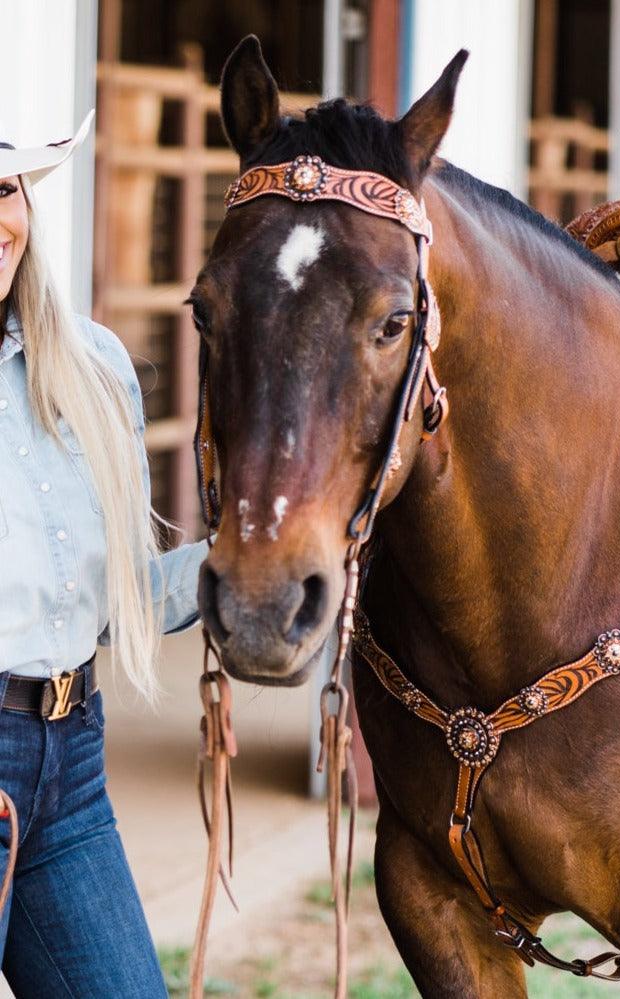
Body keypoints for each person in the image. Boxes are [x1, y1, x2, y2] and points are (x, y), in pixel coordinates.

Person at [0, 113, 207, 996]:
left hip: (71, 766)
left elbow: (122, 597)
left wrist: (246, 563)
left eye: (5, 189)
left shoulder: (93, 364)